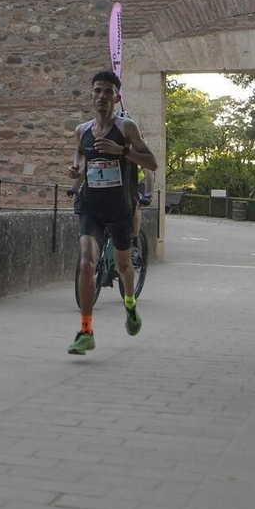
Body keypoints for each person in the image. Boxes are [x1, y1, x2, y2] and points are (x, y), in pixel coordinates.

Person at [65, 70, 159, 356]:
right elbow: (80, 156)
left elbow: (151, 163)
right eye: (97, 91)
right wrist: (76, 171)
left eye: (108, 91)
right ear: (91, 95)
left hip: (119, 208)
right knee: (86, 263)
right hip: (91, 205)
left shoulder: (126, 128)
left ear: (117, 97)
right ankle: (86, 331)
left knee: (124, 266)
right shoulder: (82, 130)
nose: (102, 96)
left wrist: (122, 152)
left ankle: (130, 305)